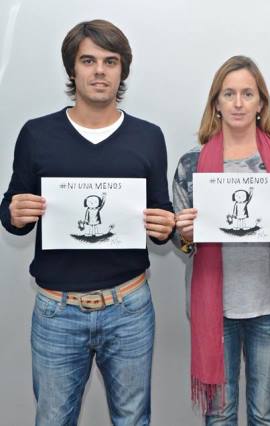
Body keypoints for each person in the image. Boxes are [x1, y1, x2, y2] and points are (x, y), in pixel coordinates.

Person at [0, 19, 175, 425]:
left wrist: (165, 227)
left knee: (133, 419)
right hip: (57, 311)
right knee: (52, 420)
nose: (99, 71)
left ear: (122, 70)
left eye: (110, 61)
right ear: (72, 68)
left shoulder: (149, 137)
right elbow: (13, 213)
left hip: (129, 308)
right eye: (88, 60)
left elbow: (161, 215)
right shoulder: (37, 134)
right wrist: (13, 213)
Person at [172, 55, 270, 425]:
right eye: (228, 94)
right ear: (216, 103)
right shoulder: (190, 165)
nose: (237, 103)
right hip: (214, 307)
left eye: (247, 94)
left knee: (265, 416)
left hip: (269, 307)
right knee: (219, 417)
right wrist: (184, 234)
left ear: (260, 103)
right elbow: (181, 242)